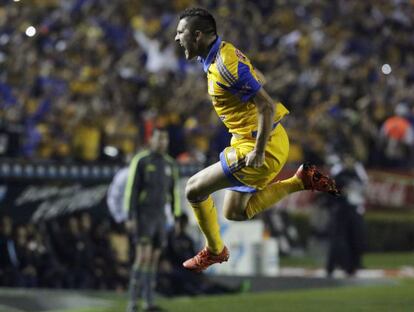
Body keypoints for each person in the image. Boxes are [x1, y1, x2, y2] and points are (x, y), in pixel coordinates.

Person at [175, 8, 339, 272]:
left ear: (197, 35)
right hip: (263, 138)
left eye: (180, 32)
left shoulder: (224, 65)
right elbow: (259, 78)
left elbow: (266, 105)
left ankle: (215, 251)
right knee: (234, 212)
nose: (176, 38)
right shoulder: (223, 53)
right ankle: (300, 181)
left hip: (259, 146)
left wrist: (259, 151)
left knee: (193, 189)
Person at [124, 128, 181, 312]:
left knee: (154, 259)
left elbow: (174, 193)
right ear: (151, 141)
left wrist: (176, 216)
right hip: (144, 214)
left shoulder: (170, 164)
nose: (162, 143)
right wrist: (130, 215)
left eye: (165, 139)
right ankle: (133, 302)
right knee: (142, 257)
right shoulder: (141, 161)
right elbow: (132, 189)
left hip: (159, 216)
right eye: (159, 139)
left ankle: (149, 302)